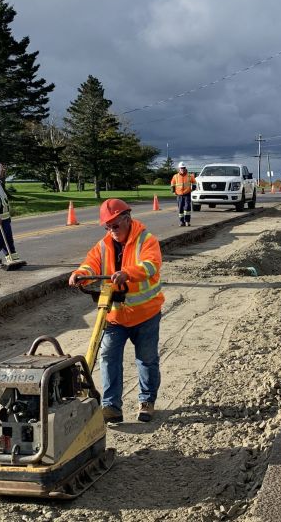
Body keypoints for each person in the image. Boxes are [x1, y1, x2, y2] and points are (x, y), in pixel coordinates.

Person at [69, 198, 164, 423]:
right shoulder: (103, 246)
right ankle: (111, 407)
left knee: (146, 359)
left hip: (146, 314)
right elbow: (90, 264)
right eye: (108, 227)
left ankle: (147, 402)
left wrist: (128, 273)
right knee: (108, 357)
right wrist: (79, 274)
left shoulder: (147, 240)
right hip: (115, 316)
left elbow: (151, 265)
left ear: (127, 219)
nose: (112, 231)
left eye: (115, 226)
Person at [170, 161, 196, 227]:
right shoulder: (175, 176)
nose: (182, 169)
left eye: (183, 168)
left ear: (185, 168)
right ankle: (182, 222)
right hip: (179, 195)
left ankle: (187, 221)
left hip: (187, 193)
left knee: (187, 207)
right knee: (180, 208)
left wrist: (194, 186)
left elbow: (194, 182)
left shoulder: (190, 176)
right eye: (181, 168)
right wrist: (173, 191)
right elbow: (172, 183)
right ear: (179, 169)